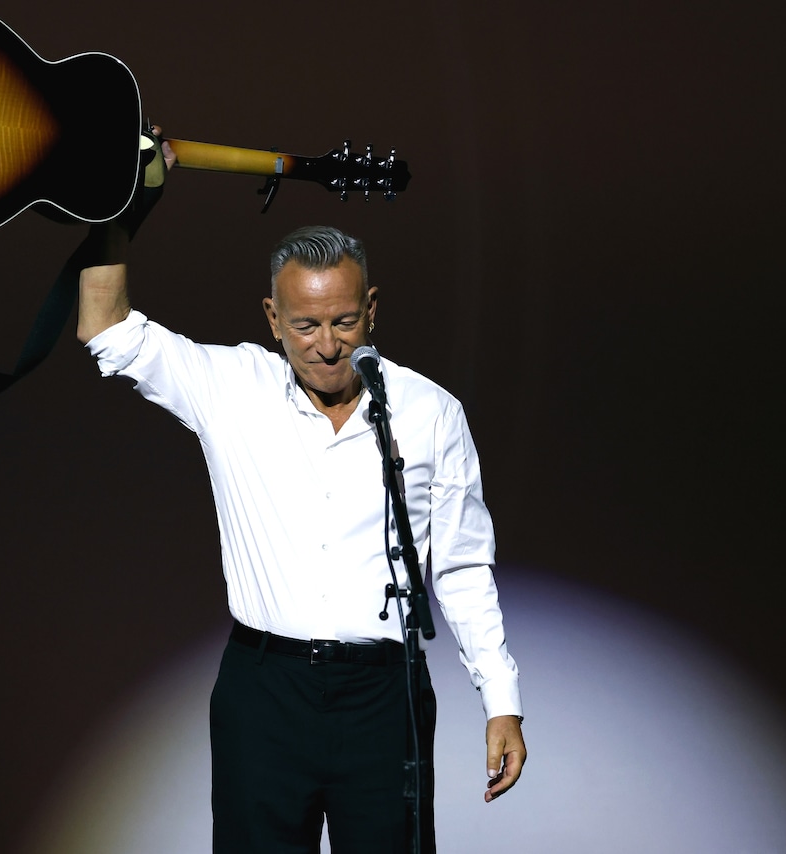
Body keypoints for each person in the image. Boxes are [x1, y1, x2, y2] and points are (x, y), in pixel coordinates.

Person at [74, 135, 525, 854]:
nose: (326, 345)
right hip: (266, 693)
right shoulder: (232, 389)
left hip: (385, 698)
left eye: (343, 321)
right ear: (272, 318)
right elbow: (106, 328)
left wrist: (501, 702)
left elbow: (462, 566)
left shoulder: (428, 412)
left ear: (371, 309)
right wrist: (119, 204)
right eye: (305, 325)